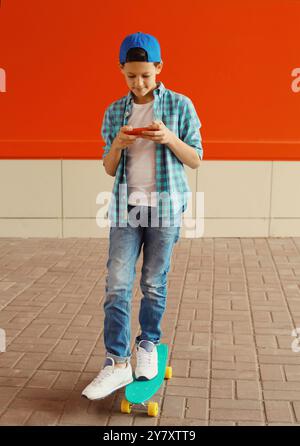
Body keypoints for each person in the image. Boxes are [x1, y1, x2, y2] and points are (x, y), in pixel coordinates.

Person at [82, 32, 203, 400]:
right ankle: (117, 362)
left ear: (159, 68)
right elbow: (107, 167)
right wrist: (117, 146)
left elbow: (195, 158)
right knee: (117, 284)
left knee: (153, 282)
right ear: (121, 70)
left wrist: (169, 138)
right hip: (125, 208)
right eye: (131, 75)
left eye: (146, 75)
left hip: (165, 208)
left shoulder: (181, 106)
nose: (139, 83)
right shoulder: (114, 111)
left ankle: (147, 344)